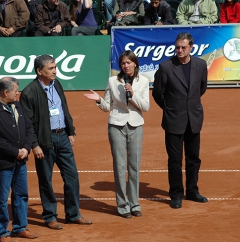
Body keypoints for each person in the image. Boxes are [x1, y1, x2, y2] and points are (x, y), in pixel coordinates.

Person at [20, 55, 92, 230]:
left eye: (55, 67)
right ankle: (50, 216)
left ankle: (73, 214)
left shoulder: (57, 84)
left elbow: (63, 109)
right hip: (44, 141)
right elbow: (27, 123)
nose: (54, 71)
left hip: (63, 138)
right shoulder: (29, 92)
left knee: (72, 176)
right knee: (46, 180)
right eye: (51, 68)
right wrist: (34, 144)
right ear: (39, 71)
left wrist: (70, 131)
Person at [84, 50, 150, 218]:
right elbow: (108, 106)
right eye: (123, 63)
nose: (126, 66)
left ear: (135, 63)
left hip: (136, 125)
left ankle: (135, 204)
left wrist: (133, 94)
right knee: (120, 166)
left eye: (129, 62)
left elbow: (146, 107)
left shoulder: (143, 81)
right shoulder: (113, 81)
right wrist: (99, 99)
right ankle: (122, 205)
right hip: (117, 125)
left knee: (134, 166)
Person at [152, 33, 208, 209]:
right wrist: (171, 108)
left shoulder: (200, 65)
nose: (180, 50)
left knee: (193, 158)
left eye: (183, 47)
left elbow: (201, 88)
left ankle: (192, 191)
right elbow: (157, 93)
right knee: (175, 160)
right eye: (177, 47)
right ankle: (176, 194)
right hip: (173, 120)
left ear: (191, 47)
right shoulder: (166, 67)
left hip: (194, 119)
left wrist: (188, 106)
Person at [0, 77, 38, 242]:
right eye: (15, 90)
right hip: (2, 162)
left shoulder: (17, 105)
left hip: (21, 160)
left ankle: (20, 227)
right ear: (6, 92)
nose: (17, 92)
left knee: (21, 194)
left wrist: (26, 149)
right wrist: (15, 152)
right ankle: (2, 231)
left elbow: (28, 127)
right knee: (1, 198)